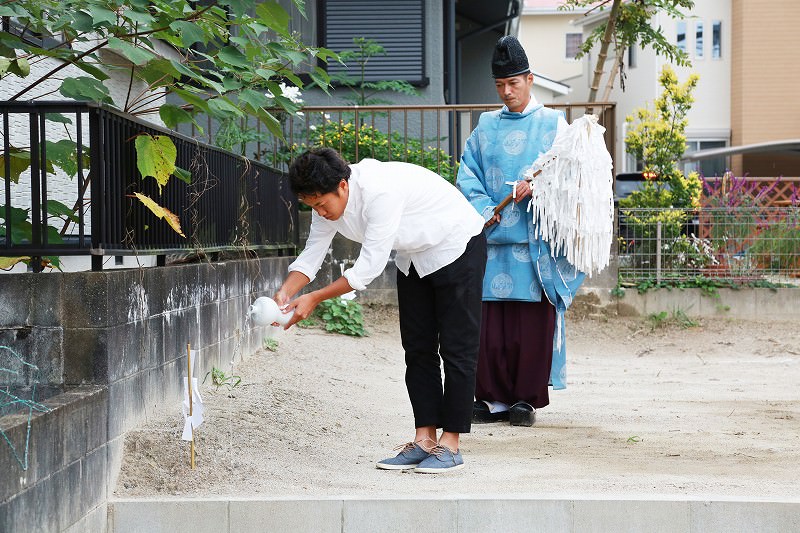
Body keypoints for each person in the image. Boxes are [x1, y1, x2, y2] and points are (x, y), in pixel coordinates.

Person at [273, 147, 486, 473]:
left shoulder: (379, 192)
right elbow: (312, 254)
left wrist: (314, 299)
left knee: (458, 348)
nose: (319, 212)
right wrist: (285, 294)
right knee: (417, 348)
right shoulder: (326, 202)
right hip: (414, 256)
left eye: (320, 203)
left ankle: (451, 444)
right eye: (311, 206)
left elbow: (367, 269)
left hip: (457, 245)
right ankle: (424, 439)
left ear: (343, 186)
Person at [456, 36, 585, 427]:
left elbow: (569, 176)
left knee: (530, 325)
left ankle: (525, 399)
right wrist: (481, 209)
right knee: (490, 323)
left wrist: (538, 188)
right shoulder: (485, 125)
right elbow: (467, 173)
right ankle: (490, 397)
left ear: (529, 79)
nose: (507, 92)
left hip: (535, 244)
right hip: (493, 241)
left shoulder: (553, 125)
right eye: (500, 85)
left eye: (513, 83)